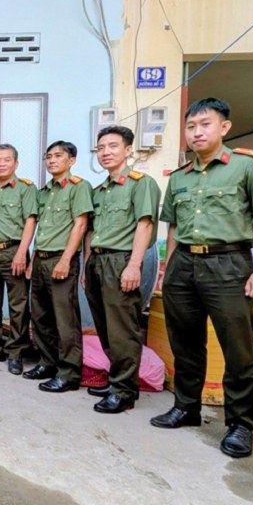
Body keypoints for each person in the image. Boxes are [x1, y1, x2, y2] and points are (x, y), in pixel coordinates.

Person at [151, 98, 253, 459]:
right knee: (185, 344)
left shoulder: (250, 165)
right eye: (190, 126)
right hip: (183, 264)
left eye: (205, 124)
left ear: (224, 127)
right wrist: (169, 268)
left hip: (229, 264)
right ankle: (186, 407)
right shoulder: (179, 177)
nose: (197, 132)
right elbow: (173, 226)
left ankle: (241, 424)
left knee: (238, 349)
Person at [82, 126, 160, 413]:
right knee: (104, 326)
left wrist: (134, 266)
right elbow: (91, 232)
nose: (106, 152)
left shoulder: (141, 184)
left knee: (122, 329)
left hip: (122, 261)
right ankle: (117, 380)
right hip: (97, 261)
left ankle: (124, 391)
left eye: (113, 146)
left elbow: (145, 224)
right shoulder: (99, 191)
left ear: (128, 150)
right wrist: (86, 265)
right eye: (101, 148)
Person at [25, 141, 93, 393]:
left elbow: (80, 225)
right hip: (41, 259)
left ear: (71, 160)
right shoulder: (44, 192)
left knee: (65, 320)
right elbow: (42, 229)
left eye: (58, 156)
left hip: (61, 259)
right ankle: (47, 363)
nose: (52, 160)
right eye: (49, 156)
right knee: (41, 316)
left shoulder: (79, 187)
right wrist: (33, 259)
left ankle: (69, 373)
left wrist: (66, 260)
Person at [0, 144, 37, 375]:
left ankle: (16, 352)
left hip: (14, 250)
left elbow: (30, 221)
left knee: (18, 305)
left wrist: (22, 253)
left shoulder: (26, 189)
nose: (1, 164)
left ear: (16, 164)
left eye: (6, 160)